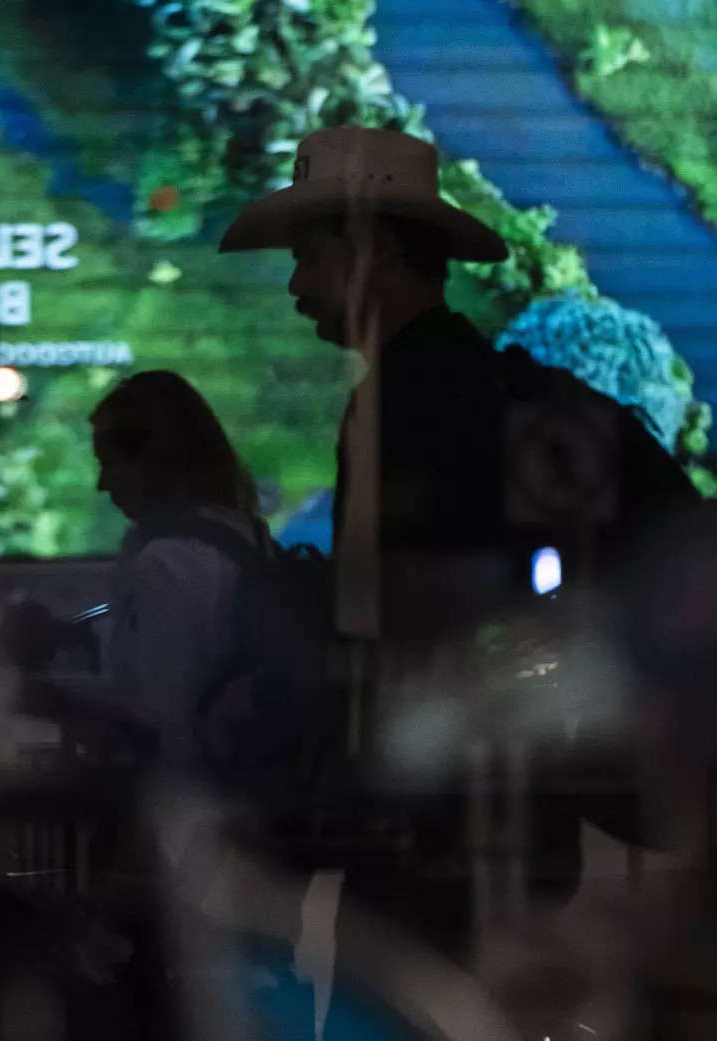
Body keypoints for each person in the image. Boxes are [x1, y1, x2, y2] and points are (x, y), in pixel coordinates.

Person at [220, 126, 515, 657]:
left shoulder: (421, 397)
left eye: (308, 257)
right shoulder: (441, 380)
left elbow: (405, 618)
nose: (296, 285)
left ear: (374, 252)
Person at [92, 371, 275, 766]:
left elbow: (161, 722)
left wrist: (50, 701)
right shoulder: (245, 534)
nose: (101, 484)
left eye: (109, 464)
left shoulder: (165, 564)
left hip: (198, 792)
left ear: (152, 464)